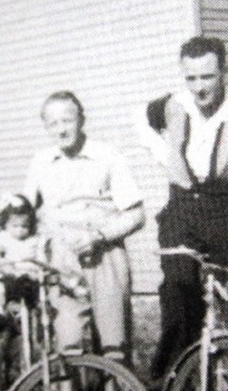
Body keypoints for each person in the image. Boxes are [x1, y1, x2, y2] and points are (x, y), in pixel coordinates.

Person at [136, 35, 228, 382]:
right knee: (178, 301)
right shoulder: (173, 105)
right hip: (182, 215)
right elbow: (140, 120)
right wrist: (166, 156)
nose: (199, 88)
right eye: (191, 78)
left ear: (224, 72)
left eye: (208, 77)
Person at [22, 90, 145, 365]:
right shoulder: (41, 162)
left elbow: (136, 215)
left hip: (105, 257)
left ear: (82, 120)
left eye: (67, 120)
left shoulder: (107, 155)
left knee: (115, 348)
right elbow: (23, 213)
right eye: (53, 124)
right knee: (68, 347)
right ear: (46, 127)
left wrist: (100, 236)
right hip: (62, 263)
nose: (61, 129)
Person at [0, 193, 41, 337]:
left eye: (25, 226)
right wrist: (2, 263)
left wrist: (40, 265)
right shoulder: (3, 238)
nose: (20, 230)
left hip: (28, 274)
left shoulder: (33, 240)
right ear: (5, 224)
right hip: (9, 274)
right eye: (15, 226)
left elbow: (41, 256)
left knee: (37, 293)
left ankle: (29, 316)